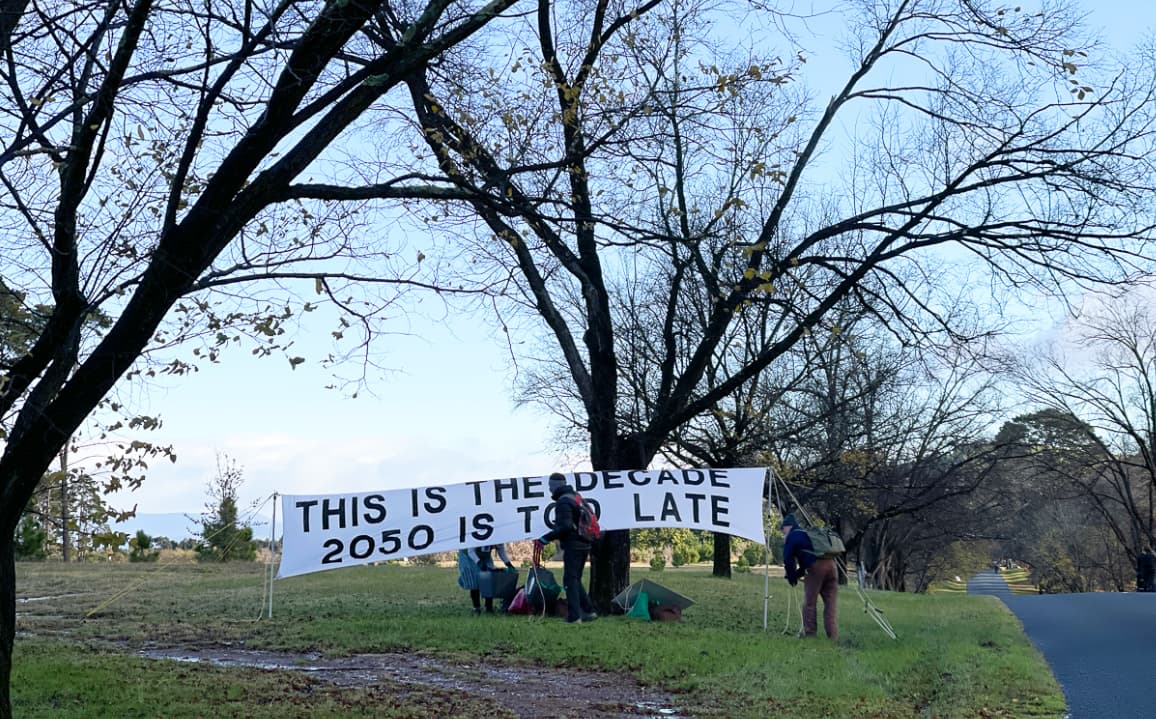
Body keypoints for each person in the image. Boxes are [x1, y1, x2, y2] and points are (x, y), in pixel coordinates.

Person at [537, 472, 598, 624]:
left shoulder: (563, 502)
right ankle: (588, 611)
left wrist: (545, 539)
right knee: (575, 579)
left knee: (570, 580)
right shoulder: (577, 497)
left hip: (574, 544)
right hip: (585, 542)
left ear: (554, 486)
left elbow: (565, 526)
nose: (550, 490)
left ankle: (574, 616)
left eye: (550, 486)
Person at [782, 513, 838, 640]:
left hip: (816, 567)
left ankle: (810, 633)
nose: (783, 532)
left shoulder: (793, 536)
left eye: (783, 529)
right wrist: (798, 574)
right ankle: (833, 635)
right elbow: (806, 558)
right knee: (830, 604)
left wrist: (791, 577)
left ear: (788, 526)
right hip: (831, 564)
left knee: (810, 602)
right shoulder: (806, 534)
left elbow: (788, 559)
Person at [457, 543, 515, 615]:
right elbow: (471, 552)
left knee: (489, 580)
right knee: (474, 581)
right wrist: (479, 563)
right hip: (468, 555)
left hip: (485, 556)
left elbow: (501, 550)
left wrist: (508, 563)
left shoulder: (498, 536)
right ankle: (476, 608)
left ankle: (489, 607)